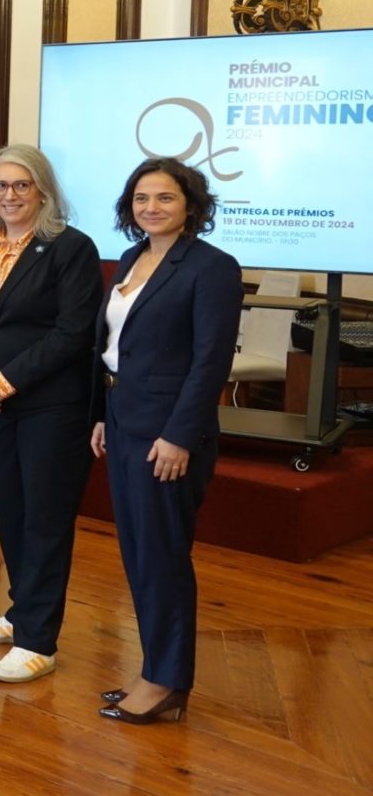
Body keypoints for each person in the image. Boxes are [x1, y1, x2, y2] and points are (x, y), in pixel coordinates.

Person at [91, 158, 241, 724]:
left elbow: (210, 362)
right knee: (139, 555)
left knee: (163, 557)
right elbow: (118, 347)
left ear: (191, 205)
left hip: (169, 435)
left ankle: (167, 681)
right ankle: (157, 668)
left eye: (165, 198)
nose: (151, 208)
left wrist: (180, 436)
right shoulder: (133, 259)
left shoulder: (212, 267)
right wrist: (105, 414)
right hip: (124, 421)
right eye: (141, 199)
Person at [0, 144, 101, 682]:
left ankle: (40, 640)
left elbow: (73, 332)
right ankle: (22, 612)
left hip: (50, 404)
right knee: (10, 511)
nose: (10, 195)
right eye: (0, 186)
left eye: (22, 185)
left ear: (43, 190)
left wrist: (4, 382)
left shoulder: (70, 248)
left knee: (44, 517)